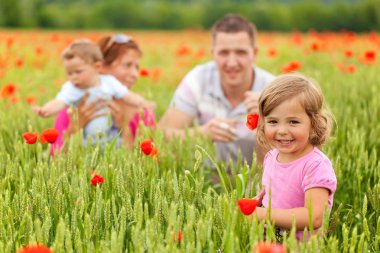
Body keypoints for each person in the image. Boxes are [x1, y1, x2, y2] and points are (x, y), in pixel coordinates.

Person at [158, 14, 275, 166]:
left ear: (254, 53)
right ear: (213, 53)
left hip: (258, 183)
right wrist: (202, 134)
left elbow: (285, 160)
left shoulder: (273, 90)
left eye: (240, 52)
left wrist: (265, 123)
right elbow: (160, 134)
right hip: (206, 182)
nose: (232, 62)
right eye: (224, 53)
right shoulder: (198, 80)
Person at [253, 74, 337, 240]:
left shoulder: (315, 166)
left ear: (314, 124)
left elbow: (314, 218)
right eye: (273, 122)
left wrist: (262, 214)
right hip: (271, 241)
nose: (282, 130)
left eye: (293, 122)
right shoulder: (271, 156)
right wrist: (257, 203)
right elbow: (272, 193)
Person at [33, 39, 155, 145]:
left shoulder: (143, 116)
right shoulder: (72, 103)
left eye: (137, 67)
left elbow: (142, 164)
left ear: (97, 67)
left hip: (110, 141)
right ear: (103, 67)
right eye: (127, 65)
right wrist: (48, 111)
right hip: (86, 145)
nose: (135, 74)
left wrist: (125, 127)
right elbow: (57, 159)